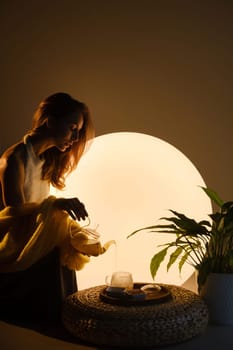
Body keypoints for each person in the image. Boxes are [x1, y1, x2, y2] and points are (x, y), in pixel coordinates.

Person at [0, 92, 95, 324]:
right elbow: (14, 214)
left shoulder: (45, 160)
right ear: (50, 121)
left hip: (36, 238)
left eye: (78, 131)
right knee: (57, 254)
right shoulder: (15, 158)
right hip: (16, 245)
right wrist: (57, 205)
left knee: (74, 242)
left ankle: (72, 320)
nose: (75, 136)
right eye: (72, 127)